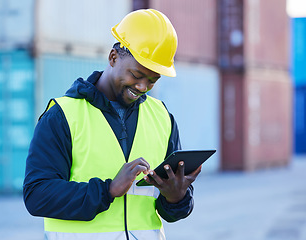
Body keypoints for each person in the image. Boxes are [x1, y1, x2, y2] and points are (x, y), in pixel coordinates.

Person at [23, 9, 202, 240]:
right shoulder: (62, 116)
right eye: (137, 75)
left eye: (152, 80)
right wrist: (107, 190)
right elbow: (37, 196)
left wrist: (177, 198)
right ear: (113, 57)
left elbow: (169, 212)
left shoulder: (162, 117)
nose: (142, 87)